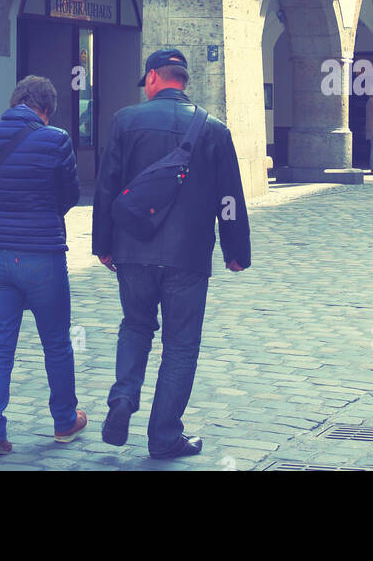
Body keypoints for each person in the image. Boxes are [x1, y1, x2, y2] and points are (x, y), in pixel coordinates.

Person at [92, 47, 250, 460]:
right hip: (188, 257)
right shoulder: (213, 129)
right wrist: (236, 250)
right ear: (183, 80)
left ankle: (124, 397)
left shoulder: (125, 121)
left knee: (136, 326)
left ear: (152, 79)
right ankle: (164, 436)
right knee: (180, 346)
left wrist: (103, 245)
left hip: (132, 251)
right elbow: (229, 197)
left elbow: (106, 187)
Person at [0, 75, 85, 457]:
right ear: (45, 109)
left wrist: (3, 202)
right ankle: (65, 421)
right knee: (56, 342)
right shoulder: (57, 139)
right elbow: (70, 195)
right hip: (41, 254)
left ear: (16, 101)